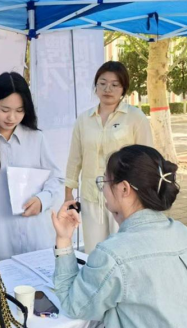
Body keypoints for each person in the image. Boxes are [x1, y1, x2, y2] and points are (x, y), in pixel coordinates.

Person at [53, 145, 187, 328]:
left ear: (124, 189)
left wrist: (63, 240)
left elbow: (73, 305)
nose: (103, 190)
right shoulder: (185, 234)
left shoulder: (114, 254)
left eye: (104, 181)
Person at [0, 72, 64, 264]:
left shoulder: (36, 138)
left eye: (19, 110)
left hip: (38, 239)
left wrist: (42, 200)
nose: (12, 117)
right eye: (5, 109)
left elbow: (57, 178)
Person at [65, 61, 154, 254]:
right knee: (94, 251)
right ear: (96, 85)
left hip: (125, 197)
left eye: (115, 84)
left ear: (123, 89)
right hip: (91, 196)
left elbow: (147, 157)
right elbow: (75, 158)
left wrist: (144, 197)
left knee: (124, 250)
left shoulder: (135, 117)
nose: (108, 89)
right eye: (103, 83)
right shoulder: (84, 120)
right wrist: (68, 193)